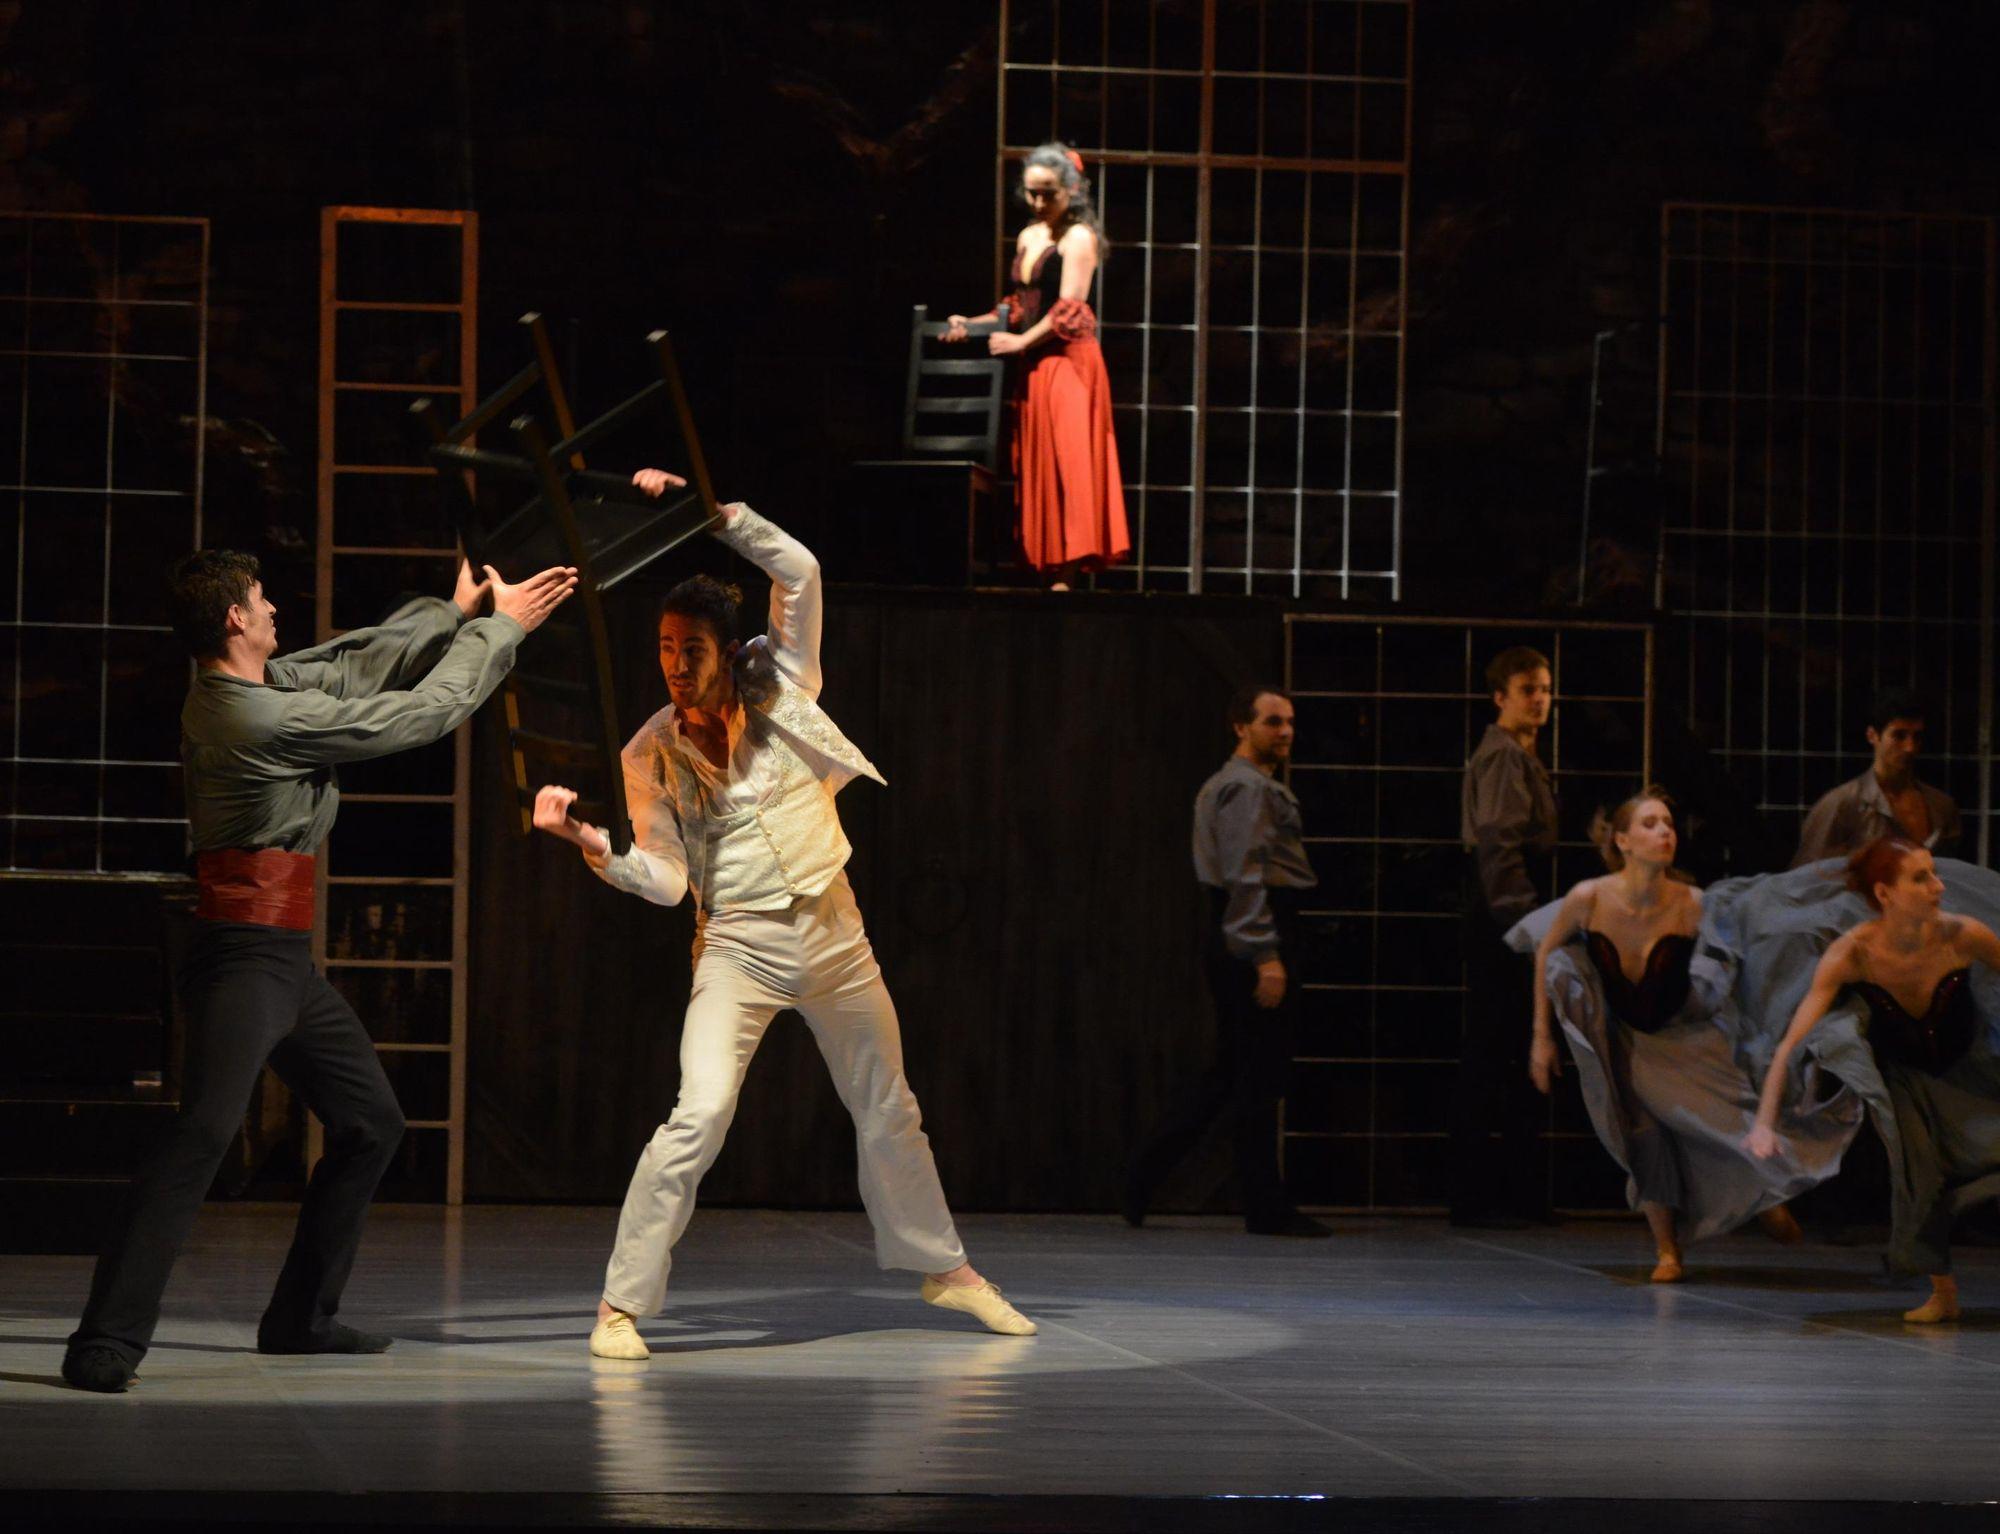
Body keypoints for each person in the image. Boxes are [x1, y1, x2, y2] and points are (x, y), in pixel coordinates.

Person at [533, 469, 1035, 1360]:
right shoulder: (651, 752)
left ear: (730, 651)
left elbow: (798, 570)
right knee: (700, 1113)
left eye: (692, 648)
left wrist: (711, 512)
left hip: (835, 931)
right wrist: (594, 846)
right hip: (738, 944)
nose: (675, 664)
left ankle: (945, 1268)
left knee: (888, 1105)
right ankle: (617, 1307)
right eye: (664, 647)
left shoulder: (782, 684)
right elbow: (668, 882)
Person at [61, 550, 576, 1393]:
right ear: (235, 618)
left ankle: (300, 1318)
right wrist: (502, 633)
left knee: (371, 1125)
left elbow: (350, 664)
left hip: (283, 961)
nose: (274, 609)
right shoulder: (248, 717)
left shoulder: (262, 685)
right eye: (261, 599)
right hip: (240, 959)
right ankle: (103, 1340)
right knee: (201, 1137)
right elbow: (414, 716)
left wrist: (451, 615)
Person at [1521, 789, 1821, 1281]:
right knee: (1643, 1136)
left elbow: (1735, 964)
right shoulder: (1588, 897)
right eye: (1650, 823)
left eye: (1669, 823)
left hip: (1685, 1039)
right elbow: (1545, 952)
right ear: (1622, 841)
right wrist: (1542, 1036)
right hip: (1628, 1040)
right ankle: (1667, 1249)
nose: (1665, 832)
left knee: (1733, 1124)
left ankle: (1763, 1195)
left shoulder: (1691, 903)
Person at [1747, 837, 2000, 1323]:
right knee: (1918, 1173)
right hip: (1903, 1079)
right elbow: (1790, 1042)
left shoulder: (1963, 934)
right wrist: (1763, 1122)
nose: (1938, 886)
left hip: (1970, 1068)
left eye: (1934, 873)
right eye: (1920, 878)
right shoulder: (1853, 953)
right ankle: (1942, 1290)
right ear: (1885, 893)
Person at [1124, 685, 1329, 1239]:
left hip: (1246, 931)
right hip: (1255, 933)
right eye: (1272, 722)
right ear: (1241, 726)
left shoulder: (1243, 784)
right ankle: (1263, 1205)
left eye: (1289, 722)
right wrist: (1266, 954)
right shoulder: (1245, 788)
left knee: (1233, 1073)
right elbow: (1245, 876)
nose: (1284, 732)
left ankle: (1144, 1175)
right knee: (1256, 1077)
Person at [942, 141, 1129, 588]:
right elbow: (1019, 304)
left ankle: (1068, 571)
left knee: (1071, 459)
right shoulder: (1029, 236)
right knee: (1040, 459)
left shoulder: (1078, 238)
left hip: (1069, 363)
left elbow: (1069, 308)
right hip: (1037, 365)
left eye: (1049, 193)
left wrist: (1021, 341)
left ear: (1071, 189)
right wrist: (972, 323)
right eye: (1032, 193)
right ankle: (1045, 566)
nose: (1039, 202)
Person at [1450, 646, 1558, 1227]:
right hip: (1503, 913)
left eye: (1544, 688)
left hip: (1509, 907)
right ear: (1500, 697)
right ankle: (1477, 1195)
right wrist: (1526, 924)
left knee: (1511, 1049)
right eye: (1527, 690)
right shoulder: (1503, 758)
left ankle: (1513, 1191)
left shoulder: (1521, 755)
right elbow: (1498, 846)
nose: (1539, 700)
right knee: (1494, 1048)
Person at [1792, 687, 1962, 867]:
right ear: (1872, 735)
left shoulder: (1940, 806)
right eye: (1899, 736)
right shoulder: (1842, 805)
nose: (1909, 747)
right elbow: (1805, 873)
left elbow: (1953, 871)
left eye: (1917, 737)